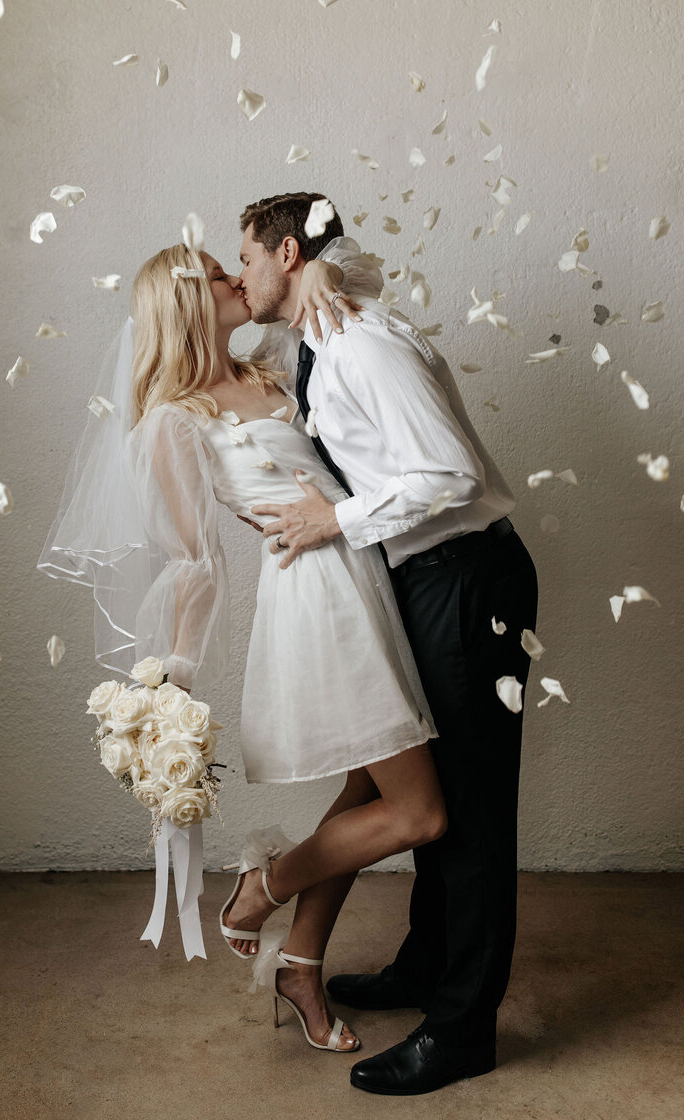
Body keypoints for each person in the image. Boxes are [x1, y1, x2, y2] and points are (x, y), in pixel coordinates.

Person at [37, 216, 449, 1055]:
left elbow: (351, 283)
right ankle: (261, 889)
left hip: (368, 575)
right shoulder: (173, 422)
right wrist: (172, 683)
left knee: (369, 794)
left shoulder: (271, 368)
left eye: (238, 264)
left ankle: (300, 962)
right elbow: (194, 563)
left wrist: (330, 275)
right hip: (319, 600)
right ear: (186, 303)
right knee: (421, 814)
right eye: (218, 273)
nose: (238, 277)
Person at [235, 192, 540, 1095]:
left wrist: (337, 518)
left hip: (465, 574)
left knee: (473, 814)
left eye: (247, 257)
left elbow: (448, 471)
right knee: (435, 789)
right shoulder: (321, 327)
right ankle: (423, 968)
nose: (240, 273)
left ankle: (462, 1030)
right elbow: (277, 315)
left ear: (286, 252)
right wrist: (324, 271)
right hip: (421, 576)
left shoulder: (360, 341)